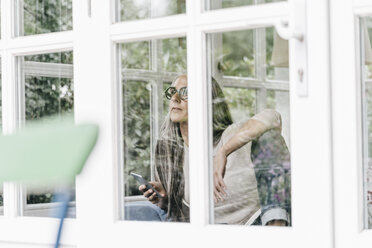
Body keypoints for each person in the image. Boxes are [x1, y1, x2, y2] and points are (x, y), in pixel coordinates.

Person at [126, 74, 291, 225]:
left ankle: (276, 230)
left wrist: (223, 152)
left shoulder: (232, 134)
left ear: (207, 100)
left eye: (185, 92)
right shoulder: (171, 152)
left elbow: (272, 117)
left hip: (254, 224)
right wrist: (165, 201)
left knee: (270, 138)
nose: (175, 98)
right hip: (212, 233)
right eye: (172, 92)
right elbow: (189, 218)